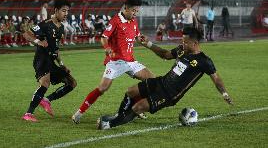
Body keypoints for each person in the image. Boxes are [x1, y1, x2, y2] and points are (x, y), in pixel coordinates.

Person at [97, 27, 233, 130]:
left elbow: (216, 79)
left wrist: (224, 93)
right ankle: (121, 116)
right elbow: (165, 54)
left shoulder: (204, 61)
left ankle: (109, 125)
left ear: (195, 43)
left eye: (185, 42)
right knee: (130, 92)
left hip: (169, 94)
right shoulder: (181, 50)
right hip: (161, 82)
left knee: (138, 107)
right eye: (182, 41)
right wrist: (148, 44)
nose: (182, 44)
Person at [72, 0, 155, 123]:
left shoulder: (133, 21)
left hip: (130, 61)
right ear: (126, 8)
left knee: (152, 80)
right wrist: (107, 47)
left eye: (137, 11)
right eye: (134, 11)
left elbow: (137, 36)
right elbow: (104, 37)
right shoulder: (116, 20)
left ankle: (135, 108)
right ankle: (79, 113)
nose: (135, 14)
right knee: (103, 88)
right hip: (116, 61)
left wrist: (141, 39)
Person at [21, 0, 77, 122]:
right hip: (41, 59)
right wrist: (38, 42)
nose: (66, 13)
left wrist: (62, 64)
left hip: (51, 61)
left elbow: (56, 49)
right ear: (56, 10)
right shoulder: (45, 24)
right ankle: (28, 114)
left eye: (68, 11)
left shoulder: (61, 27)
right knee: (45, 83)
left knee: (72, 83)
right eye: (63, 10)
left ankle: (46, 100)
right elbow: (26, 34)